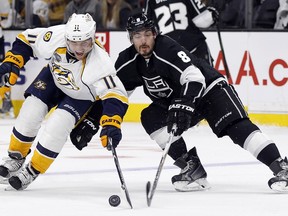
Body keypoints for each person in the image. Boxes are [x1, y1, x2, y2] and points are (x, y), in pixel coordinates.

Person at [71, 13, 288, 193]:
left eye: (148, 34)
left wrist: (182, 105)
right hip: (178, 100)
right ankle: (191, 168)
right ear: (130, 38)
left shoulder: (167, 49)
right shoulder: (128, 61)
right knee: (150, 117)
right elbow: (114, 93)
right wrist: (92, 120)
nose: (144, 40)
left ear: (155, 34)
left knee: (236, 128)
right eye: (138, 36)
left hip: (210, 90)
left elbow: (194, 77)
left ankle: (281, 167)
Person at [0, 13, 128, 190]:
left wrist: (111, 122)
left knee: (56, 126)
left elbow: (116, 94)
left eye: (85, 42)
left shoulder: (100, 62)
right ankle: (16, 157)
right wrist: (13, 60)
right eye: (74, 42)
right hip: (53, 78)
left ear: (93, 38)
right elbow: (26, 39)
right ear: (67, 37)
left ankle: (32, 169)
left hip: (80, 96)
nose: (79, 49)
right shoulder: (57, 35)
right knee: (30, 112)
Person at [144, 0, 219, 66]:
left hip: (170, 51)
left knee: (180, 81)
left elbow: (145, 25)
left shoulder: (150, 1)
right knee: (210, 79)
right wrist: (212, 14)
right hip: (194, 47)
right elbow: (202, 20)